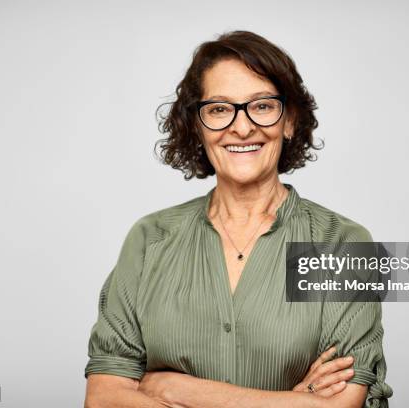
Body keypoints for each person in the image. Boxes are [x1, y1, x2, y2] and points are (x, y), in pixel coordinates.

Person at [83, 30, 392, 408]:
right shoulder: (150, 240)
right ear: (197, 126)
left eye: (262, 106)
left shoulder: (342, 245)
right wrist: (286, 402)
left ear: (290, 120)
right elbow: (104, 398)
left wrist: (173, 388)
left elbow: (339, 404)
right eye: (218, 109)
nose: (241, 127)